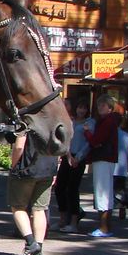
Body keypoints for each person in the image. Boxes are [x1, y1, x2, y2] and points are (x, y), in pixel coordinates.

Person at [8, 133, 58, 255]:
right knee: (39, 209)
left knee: (18, 207)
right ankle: (38, 251)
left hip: (26, 168)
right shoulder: (51, 120)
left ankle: (31, 243)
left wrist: (13, 166)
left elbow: (19, 147)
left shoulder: (27, 120)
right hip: (48, 168)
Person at [51, 99, 93, 233]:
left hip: (79, 158)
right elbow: (66, 138)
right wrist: (68, 155)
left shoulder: (90, 122)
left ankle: (74, 221)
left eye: (84, 108)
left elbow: (89, 143)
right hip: (67, 156)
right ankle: (62, 218)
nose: (82, 110)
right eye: (80, 107)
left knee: (72, 189)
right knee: (59, 187)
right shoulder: (71, 121)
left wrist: (78, 157)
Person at [84, 95, 121, 237]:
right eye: (99, 105)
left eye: (103, 105)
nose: (100, 108)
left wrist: (87, 132)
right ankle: (105, 226)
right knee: (106, 192)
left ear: (110, 107)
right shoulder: (110, 121)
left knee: (102, 192)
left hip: (103, 158)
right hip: (107, 158)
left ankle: (104, 227)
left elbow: (96, 140)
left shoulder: (107, 122)